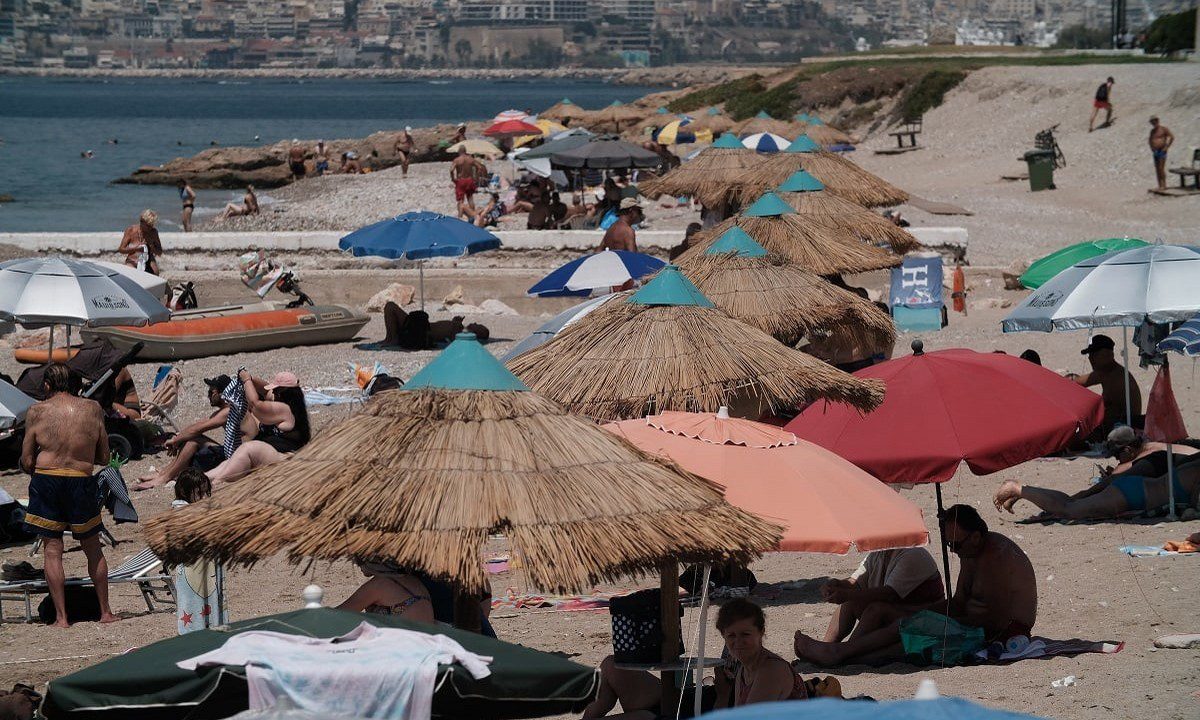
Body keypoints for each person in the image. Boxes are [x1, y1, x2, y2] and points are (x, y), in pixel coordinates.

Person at [793, 505, 1036, 666]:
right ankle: (839, 652)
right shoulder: (971, 551)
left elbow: (992, 619)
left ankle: (842, 654)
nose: (953, 551)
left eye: (956, 545)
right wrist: (928, 615)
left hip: (997, 632)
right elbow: (960, 601)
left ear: (975, 536)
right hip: (971, 621)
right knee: (906, 624)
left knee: (908, 632)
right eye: (949, 545)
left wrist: (932, 619)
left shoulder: (994, 557)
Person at [583, 599, 807, 719]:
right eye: (731, 636)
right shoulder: (745, 669)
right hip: (690, 703)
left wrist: (722, 694)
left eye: (746, 634)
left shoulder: (770, 670)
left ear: (761, 633)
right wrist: (723, 693)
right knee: (611, 665)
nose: (738, 642)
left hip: (691, 709)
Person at [20, 363, 117, 627]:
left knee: (52, 551)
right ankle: (105, 613)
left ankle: (61, 618)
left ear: (47, 385)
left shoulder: (36, 411)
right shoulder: (93, 408)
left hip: (47, 481)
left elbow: (27, 460)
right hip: (80, 480)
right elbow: (104, 456)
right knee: (93, 548)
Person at [994, 431, 1200, 519]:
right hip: (1134, 495)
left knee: (1069, 505)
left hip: (1136, 491)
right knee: (1069, 509)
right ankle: (1018, 488)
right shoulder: (1155, 458)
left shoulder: (1162, 455)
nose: (1118, 460)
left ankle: (1022, 490)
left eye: (1118, 455)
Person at [134, 374, 259, 490]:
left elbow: (198, 429)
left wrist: (176, 440)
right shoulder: (226, 410)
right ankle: (163, 473)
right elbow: (197, 426)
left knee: (192, 441)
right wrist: (178, 439)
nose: (208, 395)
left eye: (211, 392)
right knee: (190, 438)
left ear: (222, 394)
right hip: (233, 453)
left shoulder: (230, 411)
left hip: (241, 459)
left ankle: (164, 478)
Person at [819, 548, 943, 644]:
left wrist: (847, 594)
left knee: (877, 610)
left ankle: (845, 650)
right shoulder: (879, 553)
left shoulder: (913, 554)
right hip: (900, 614)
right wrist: (838, 584)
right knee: (851, 602)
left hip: (925, 620)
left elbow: (889, 594)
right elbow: (855, 582)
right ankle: (827, 645)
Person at [205, 370, 310, 484]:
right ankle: (203, 478)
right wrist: (249, 377)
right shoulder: (287, 401)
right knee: (231, 461)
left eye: (275, 390)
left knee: (248, 449)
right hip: (272, 449)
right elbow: (265, 390)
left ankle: (217, 483)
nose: (273, 392)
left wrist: (246, 380)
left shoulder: (285, 409)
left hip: (283, 455)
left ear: (282, 392)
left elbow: (255, 404)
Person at [1066, 334, 1142, 434]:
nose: (1090, 359)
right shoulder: (1110, 371)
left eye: (1094, 355)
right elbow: (1076, 382)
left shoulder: (1113, 375)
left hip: (1125, 430)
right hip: (1121, 426)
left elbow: (1076, 383)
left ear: (1108, 355)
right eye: (1090, 356)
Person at [338, 562, 435, 623]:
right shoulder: (413, 580)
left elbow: (340, 614)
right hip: (423, 645)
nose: (357, 563)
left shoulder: (381, 584)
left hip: (400, 647)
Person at [118, 209, 162, 276]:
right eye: (148, 226)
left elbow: (159, 252)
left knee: (155, 274)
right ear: (142, 222)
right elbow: (121, 249)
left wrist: (151, 246)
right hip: (132, 260)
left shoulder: (153, 232)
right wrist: (136, 249)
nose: (150, 228)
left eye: (151, 225)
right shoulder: (131, 230)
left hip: (148, 260)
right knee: (130, 272)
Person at [1148, 116, 1174, 191]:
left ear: (1157, 121)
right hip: (1155, 151)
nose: (1153, 123)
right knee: (1157, 168)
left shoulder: (1163, 129)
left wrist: (1167, 147)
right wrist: (1151, 147)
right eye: (1152, 122)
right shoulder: (1152, 131)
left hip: (1162, 150)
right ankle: (1160, 185)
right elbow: (1150, 140)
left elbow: (1172, 137)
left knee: (1161, 168)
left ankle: (1164, 185)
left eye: (1154, 121)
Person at [451, 148, 478, 216]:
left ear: (459, 151)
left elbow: (451, 170)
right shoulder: (470, 159)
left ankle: (460, 217)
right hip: (469, 180)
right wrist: (475, 177)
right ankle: (473, 215)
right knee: (470, 198)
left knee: (460, 200)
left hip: (461, 180)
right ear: (465, 151)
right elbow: (479, 167)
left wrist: (453, 178)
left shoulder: (457, 160)